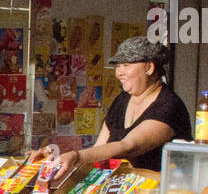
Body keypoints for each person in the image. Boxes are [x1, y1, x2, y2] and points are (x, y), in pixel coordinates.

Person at [44, 36, 191, 179]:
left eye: (126, 65)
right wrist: (54, 159)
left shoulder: (169, 106)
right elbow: (98, 149)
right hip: (119, 193)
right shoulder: (123, 99)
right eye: (118, 66)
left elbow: (128, 146)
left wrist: (76, 156)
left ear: (149, 68)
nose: (119, 72)